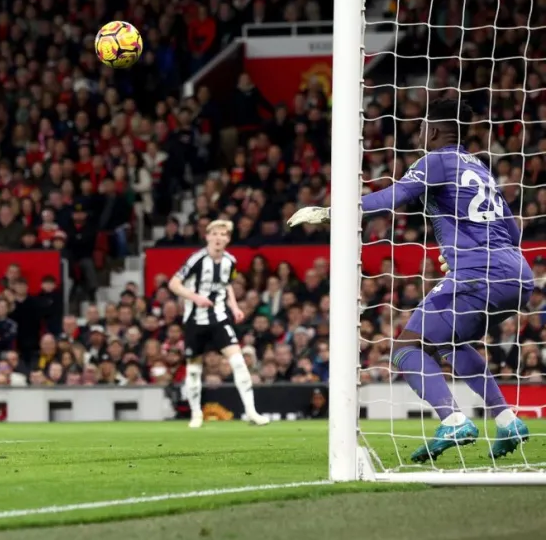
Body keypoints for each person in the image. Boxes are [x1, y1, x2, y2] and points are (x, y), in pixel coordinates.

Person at [288, 99, 533, 462]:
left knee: (405, 349)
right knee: (450, 342)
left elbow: (396, 195)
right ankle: (508, 419)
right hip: (519, 275)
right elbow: (512, 231)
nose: (417, 135)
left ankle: (452, 420)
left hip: (478, 274)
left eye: (420, 128)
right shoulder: (480, 167)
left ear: (432, 131)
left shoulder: (436, 159)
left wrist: (332, 213)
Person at [167, 220, 269, 428]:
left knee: (239, 363)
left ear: (228, 239)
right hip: (196, 320)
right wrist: (196, 298)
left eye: (223, 234)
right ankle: (196, 414)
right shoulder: (197, 260)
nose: (219, 238)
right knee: (194, 369)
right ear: (207, 236)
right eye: (215, 234)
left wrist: (234, 307)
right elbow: (174, 284)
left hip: (219, 318)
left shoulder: (230, 261)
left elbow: (227, 285)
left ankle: (251, 411)